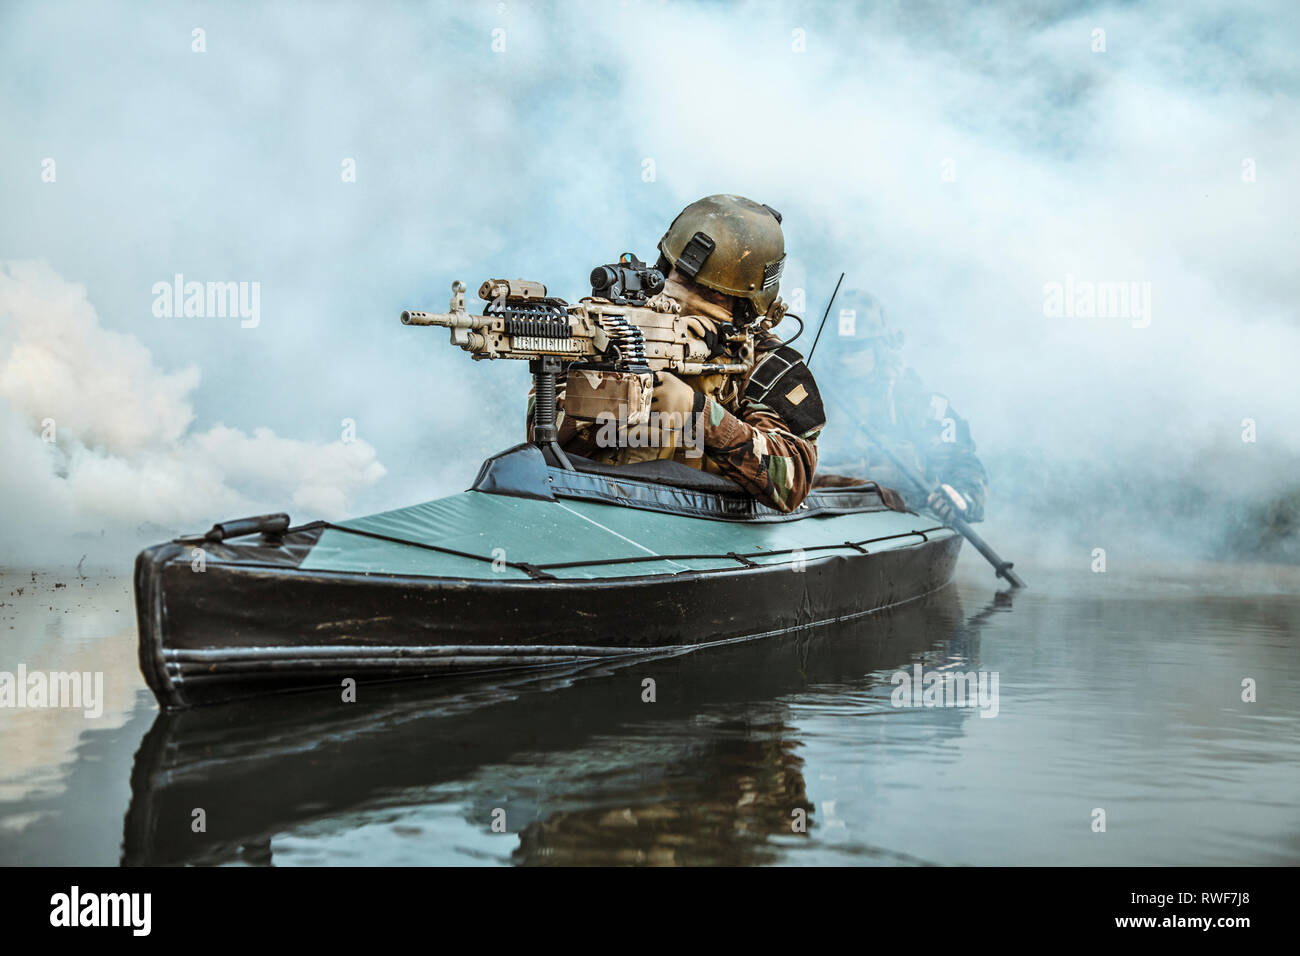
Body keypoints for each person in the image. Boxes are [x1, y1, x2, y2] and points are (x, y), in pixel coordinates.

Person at [527, 194, 825, 513]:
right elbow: (541, 435)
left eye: (714, 294)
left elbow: (792, 480)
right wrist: (605, 396)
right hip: (595, 515)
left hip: (706, 539)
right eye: (681, 279)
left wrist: (698, 413)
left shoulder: (767, 365)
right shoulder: (613, 327)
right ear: (664, 269)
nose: (686, 299)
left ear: (746, 305)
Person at [815, 290, 989, 522]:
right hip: (817, 524)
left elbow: (964, 467)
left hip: (898, 527)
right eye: (838, 348)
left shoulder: (915, 404)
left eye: (856, 348)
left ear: (880, 347)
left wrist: (959, 497)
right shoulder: (805, 399)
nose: (845, 359)